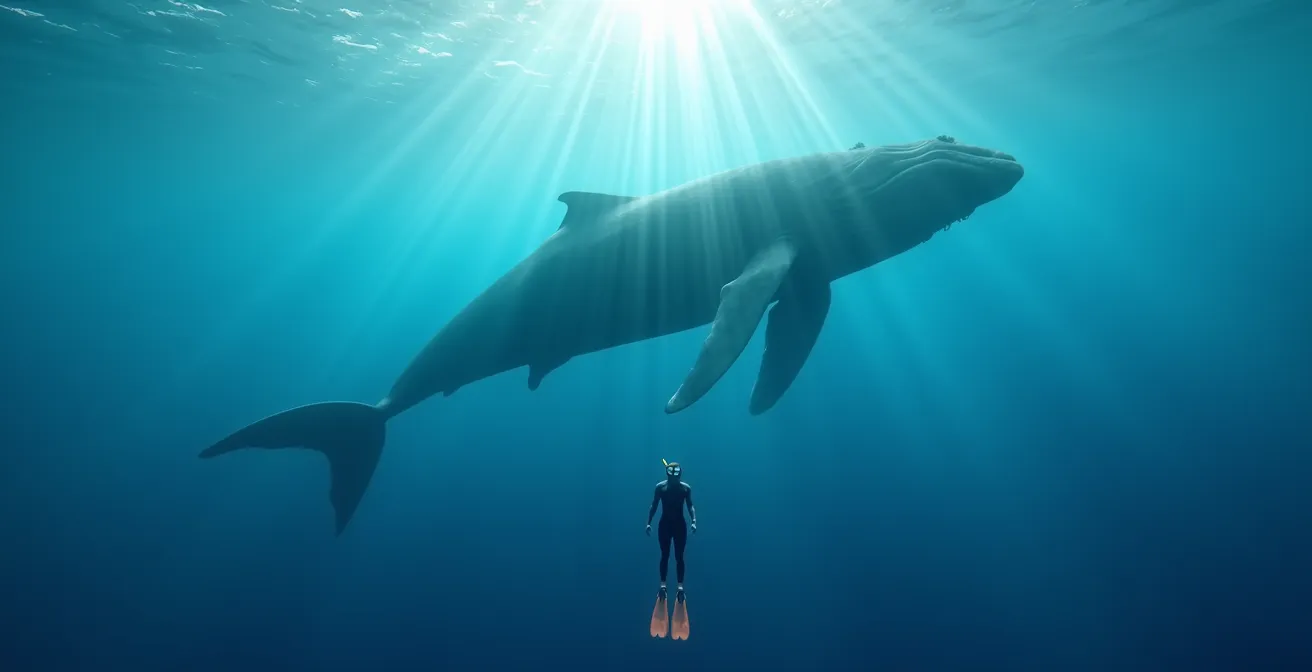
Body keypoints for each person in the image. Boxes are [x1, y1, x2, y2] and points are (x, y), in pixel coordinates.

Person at [647, 459, 696, 640]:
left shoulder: (685, 489)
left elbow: (690, 505)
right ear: (668, 473)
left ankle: (679, 587)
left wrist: (693, 520)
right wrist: (648, 522)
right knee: (665, 555)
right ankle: (663, 586)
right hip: (665, 525)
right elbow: (654, 505)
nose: (674, 476)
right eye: (672, 472)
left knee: (678, 557)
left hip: (679, 526)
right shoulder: (660, 488)